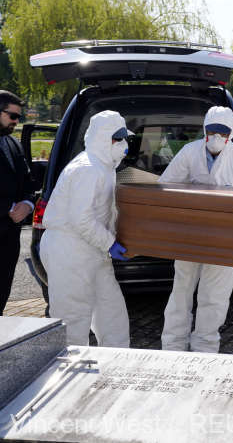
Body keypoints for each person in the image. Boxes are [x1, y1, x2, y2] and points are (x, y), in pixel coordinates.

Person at [159, 106, 233, 353]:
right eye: (211, 131)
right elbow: (165, 188)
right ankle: (173, 345)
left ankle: (205, 348)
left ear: (231, 133)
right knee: (181, 290)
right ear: (204, 129)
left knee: (214, 296)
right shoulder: (189, 152)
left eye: (222, 132)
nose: (216, 137)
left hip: (226, 238)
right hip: (189, 235)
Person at [40, 110, 133, 346]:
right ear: (102, 138)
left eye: (125, 138)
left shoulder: (104, 166)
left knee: (111, 313)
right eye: (118, 138)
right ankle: (72, 366)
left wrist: (114, 238)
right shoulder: (87, 168)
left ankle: (117, 360)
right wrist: (110, 243)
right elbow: (81, 219)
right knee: (73, 317)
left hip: (93, 249)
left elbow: (105, 211)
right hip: (69, 250)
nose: (123, 144)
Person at [0, 91, 35, 315]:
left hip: (9, 240)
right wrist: (10, 207)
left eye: (19, 117)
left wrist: (28, 204)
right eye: (12, 116)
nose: (16, 121)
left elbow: (28, 182)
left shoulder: (13, 143)